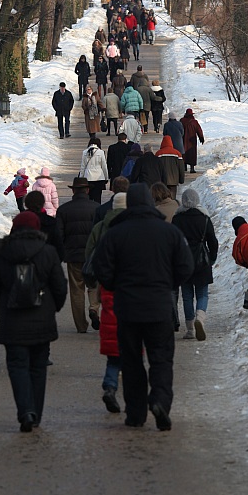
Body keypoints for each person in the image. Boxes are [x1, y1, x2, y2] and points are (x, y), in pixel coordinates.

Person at [91, 184, 194, 430]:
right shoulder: (168, 232)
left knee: (131, 361)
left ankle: (135, 414)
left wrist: (117, 285)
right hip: (159, 306)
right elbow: (186, 266)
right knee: (161, 359)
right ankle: (159, 400)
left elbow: (101, 268)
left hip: (127, 307)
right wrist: (167, 283)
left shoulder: (116, 233)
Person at [0, 210, 67, 431]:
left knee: (17, 366)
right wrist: (52, 309)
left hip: (13, 320)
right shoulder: (48, 252)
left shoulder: (1, 253)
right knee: (38, 368)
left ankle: (25, 411)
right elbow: (60, 287)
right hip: (42, 319)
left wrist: (1, 309)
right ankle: (36, 414)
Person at [85, 191, 128, 415]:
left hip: (110, 293)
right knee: (131, 355)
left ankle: (110, 386)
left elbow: (92, 250)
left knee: (113, 356)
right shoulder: (132, 233)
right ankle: (133, 401)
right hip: (132, 298)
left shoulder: (103, 226)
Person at [172, 189, 218, 341]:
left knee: (186, 296)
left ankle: (190, 329)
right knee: (202, 293)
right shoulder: (204, 218)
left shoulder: (177, 219)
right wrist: (212, 258)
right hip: (202, 260)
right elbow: (212, 241)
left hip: (183, 261)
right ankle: (200, 316)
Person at [56, 176, 99, 332]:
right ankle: (94, 308)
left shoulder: (63, 210)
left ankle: (81, 325)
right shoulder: (96, 208)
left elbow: (59, 235)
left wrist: (61, 254)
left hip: (73, 255)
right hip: (92, 255)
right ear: (87, 190)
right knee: (94, 285)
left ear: (73, 190)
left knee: (76, 290)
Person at [24, 191, 64, 260]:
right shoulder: (51, 222)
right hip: (46, 262)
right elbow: (59, 247)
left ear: (26, 204)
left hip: (24, 265)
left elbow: (12, 245)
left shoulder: (20, 221)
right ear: (43, 203)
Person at [79, 137, 109, 203]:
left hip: (88, 177)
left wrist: (81, 177)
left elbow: (83, 166)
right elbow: (104, 166)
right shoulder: (101, 152)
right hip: (99, 177)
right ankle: (97, 211)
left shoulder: (85, 152)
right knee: (98, 198)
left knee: (89, 198)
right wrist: (106, 177)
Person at [155, 134, 185, 199]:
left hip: (162, 180)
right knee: (172, 198)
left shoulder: (159, 153)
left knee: (163, 198)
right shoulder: (177, 154)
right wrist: (181, 179)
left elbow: (155, 168)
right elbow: (181, 168)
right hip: (174, 180)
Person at [180, 108, 204, 174]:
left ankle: (184, 167)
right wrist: (201, 138)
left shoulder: (182, 120)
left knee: (184, 153)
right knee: (192, 154)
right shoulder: (194, 122)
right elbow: (199, 130)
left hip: (183, 139)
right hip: (192, 141)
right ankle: (192, 168)